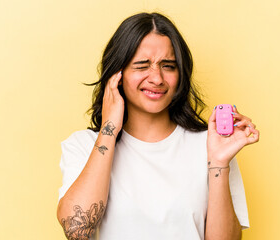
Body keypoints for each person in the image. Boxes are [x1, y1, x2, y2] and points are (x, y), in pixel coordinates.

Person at [56, 12, 259, 240]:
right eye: (142, 66)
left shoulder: (212, 145)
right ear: (117, 75)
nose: (157, 78)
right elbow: (76, 231)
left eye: (168, 66)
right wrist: (109, 129)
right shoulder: (83, 146)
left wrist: (219, 163)